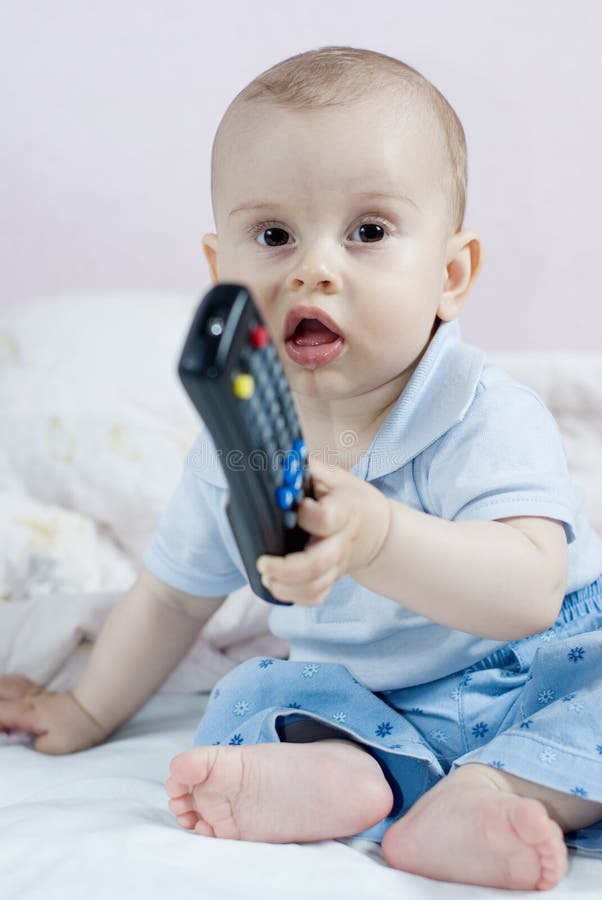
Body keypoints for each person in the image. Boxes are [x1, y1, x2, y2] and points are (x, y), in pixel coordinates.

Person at [1, 46, 601, 891]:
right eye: (274, 235)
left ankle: (490, 790)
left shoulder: (482, 412)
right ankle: (354, 781)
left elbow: (530, 590)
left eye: (369, 232)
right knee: (254, 700)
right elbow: (173, 595)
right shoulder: (240, 445)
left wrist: (379, 537)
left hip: (536, 667)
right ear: (221, 277)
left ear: (451, 274)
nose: (313, 267)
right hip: (373, 700)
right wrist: (88, 707)